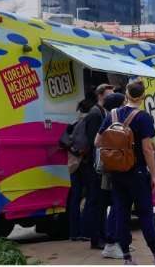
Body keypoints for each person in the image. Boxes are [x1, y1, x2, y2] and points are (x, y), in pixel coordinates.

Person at [95, 80, 155, 265]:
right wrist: (153, 176)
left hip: (116, 173)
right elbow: (147, 149)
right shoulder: (142, 116)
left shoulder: (112, 114)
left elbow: (97, 142)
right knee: (145, 215)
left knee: (122, 213)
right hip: (137, 173)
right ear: (143, 96)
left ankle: (127, 259)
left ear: (126, 96)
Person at [80, 84, 124, 255]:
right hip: (95, 166)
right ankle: (95, 238)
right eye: (108, 96)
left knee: (103, 202)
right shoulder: (95, 114)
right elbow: (95, 143)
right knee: (96, 202)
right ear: (100, 97)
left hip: (99, 166)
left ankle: (103, 236)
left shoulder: (102, 113)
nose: (111, 98)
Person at [68, 99, 95, 242]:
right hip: (84, 162)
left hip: (72, 164)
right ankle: (86, 231)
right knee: (90, 195)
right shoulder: (88, 121)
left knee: (75, 197)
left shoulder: (73, 124)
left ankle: (74, 233)